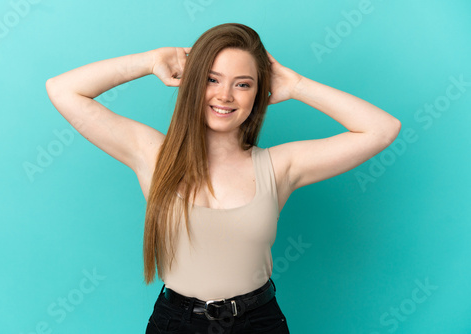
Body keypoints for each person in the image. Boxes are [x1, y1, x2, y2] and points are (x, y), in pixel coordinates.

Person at [46, 23, 401, 333]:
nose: (224, 95)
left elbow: (382, 129)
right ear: (192, 82)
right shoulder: (152, 154)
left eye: (243, 84)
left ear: (259, 93)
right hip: (175, 322)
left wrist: (296, 85)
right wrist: (151, 60)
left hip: (259, 322)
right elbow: (63, 90)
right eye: (211, 79)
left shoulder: (279, 166)